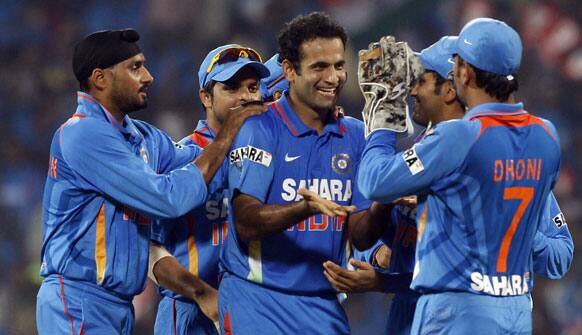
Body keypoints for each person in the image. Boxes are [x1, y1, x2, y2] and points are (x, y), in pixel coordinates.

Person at [328, 35, 573, 335]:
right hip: (415, 316)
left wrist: (514, 226)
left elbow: (559, 258)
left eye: (421, 79)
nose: (412, 90)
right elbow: (369, 239)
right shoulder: (417, 154)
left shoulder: (508, 158)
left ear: (449, 89)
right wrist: (378, 255)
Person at [36, 29, 264, 335]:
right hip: (78, 298)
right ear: (100, 79)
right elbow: (167, 198)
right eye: (135, 67)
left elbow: (205, 165)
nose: (148, 76)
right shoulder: (83, 134)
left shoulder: (143, 137)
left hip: (116, 304)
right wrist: (228, 133)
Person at [218, 12, 390, 334]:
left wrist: (385, 199)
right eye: (319, 67)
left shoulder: (356, 135)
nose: (333, 77)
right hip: (257, 300)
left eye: (339, 65)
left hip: (324, 305)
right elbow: (245, 222)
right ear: (289, 70)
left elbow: (361, 233)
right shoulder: (260, 128)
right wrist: (304, 208)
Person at [150, 44, 270, 335]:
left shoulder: (271, 158)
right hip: (193, 313)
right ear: (205, 96)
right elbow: (148, 250)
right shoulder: (179, 159)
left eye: (252, 87)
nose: (245, 96)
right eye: (231, 87)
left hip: (258, 310)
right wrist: (204, 295)